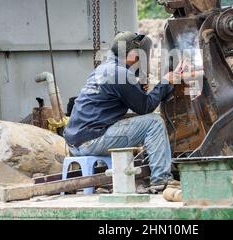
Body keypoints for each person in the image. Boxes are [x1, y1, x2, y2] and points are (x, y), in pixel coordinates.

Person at [64, 31, 183, 191]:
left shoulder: (102, 69)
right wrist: (166, 81)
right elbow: (145, 107)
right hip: (91, 142)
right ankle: (161, 180)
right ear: (133, 54)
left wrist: (138, 88)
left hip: (74, 142)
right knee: (154, 122)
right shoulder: (122, 73)